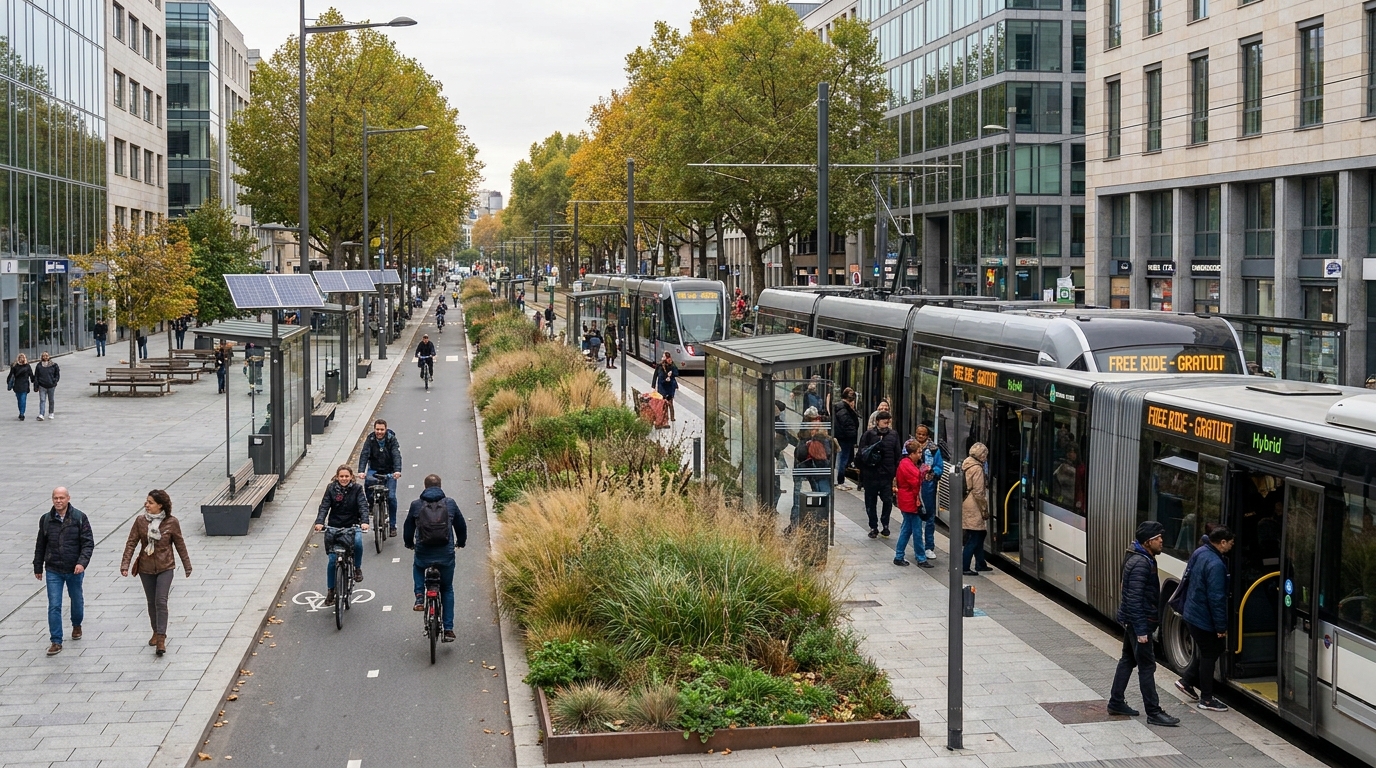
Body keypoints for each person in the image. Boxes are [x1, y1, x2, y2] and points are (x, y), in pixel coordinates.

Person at [1109, 520, 1180, 727]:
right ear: (1148, 542)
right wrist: (1141, 630)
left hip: (1134, 621)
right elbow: (1134, 599)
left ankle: (1116, 701)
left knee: (1128, 659)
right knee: (1147, 667)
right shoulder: (1141, 563)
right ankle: (1154, 712)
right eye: (1158, 538)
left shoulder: (1141, 556)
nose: (1161, 542)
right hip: (1139, 622)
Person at [120, 489, 192, 657]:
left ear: (160, 505)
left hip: (165, 567)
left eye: (150, 502)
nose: (146, 505)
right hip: (145, 568)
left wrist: (187, 565)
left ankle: (161, 638)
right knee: (151, 602)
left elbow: (180, 544)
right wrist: (125, 564)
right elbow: (131, 543)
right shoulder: (140, 521)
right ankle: (155, 631)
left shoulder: (172, 522)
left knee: (161, 601)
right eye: (146, 502)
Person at [1176, 526, 1236, 712]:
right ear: (1223, 542)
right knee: (1211, 652)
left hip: (1192, 612)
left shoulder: (1200, 551)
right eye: (1231, 543)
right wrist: (1220, 626)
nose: (1232, 547)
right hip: (1203, 618)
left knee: (1209, 650)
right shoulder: (1216, 565)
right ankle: (1207, 699)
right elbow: (1216, 598)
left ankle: (1186, 681)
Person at [403, 474, 468, 642]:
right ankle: (448, 629)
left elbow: (408, 528)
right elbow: (460, 525)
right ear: (440, 486)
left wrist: (409, 543)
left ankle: (419, 597)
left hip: (424, 552)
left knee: (418, 566)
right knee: (447, 588)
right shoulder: (450, 503)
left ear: (425, 487)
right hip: (445, 554)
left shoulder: (416, 505)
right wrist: (461, 542)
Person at [33, 487, 93, 656]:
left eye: (61, 498)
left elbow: (88, 543)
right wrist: (38, 566)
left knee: (76, 599)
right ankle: (56, 641)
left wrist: (82, 563)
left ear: (68, 498)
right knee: (54, 605)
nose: (58, 501)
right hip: (53, 569)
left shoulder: (79, 518)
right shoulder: (46, 519)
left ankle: (76, 624)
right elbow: (40, 544)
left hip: (74, 568)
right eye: (55, 498)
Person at [314, 466, 370, 604]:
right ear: (337, 477)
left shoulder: (357, 489)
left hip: (352, 525)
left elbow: (363, 505)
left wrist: (364, 522)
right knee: (332, 561)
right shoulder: (331, 488)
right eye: (341, 476)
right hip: (334, 526)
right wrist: (320, 522)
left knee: (357, 542)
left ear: (351, 476)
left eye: (346, 476)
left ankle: (357, 568)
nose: (344, 479)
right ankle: (331, 590)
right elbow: (325, 506)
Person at [856, 410, 901, 538]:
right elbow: (861, 454)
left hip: (886, 475)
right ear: (877, 422)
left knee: (887, 501)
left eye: (888, 422)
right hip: (871, 475)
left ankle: (885, 524)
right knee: (870, 502)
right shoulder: (868, 435)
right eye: (884, 422)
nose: (886, 425)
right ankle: (873, 526)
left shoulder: (893, 435)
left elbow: (897, 454)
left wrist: (894, 472)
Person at [358, 419, 403, 536]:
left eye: (382, 429)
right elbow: (364, 455)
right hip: (375, 470)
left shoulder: (391, 439)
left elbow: (396, 455)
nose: (379, 432)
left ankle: (393, 525)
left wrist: (397, 470)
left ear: (386, 429)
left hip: (389, 471)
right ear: (374, 429)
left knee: (391, 497)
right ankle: (372, 505)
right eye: (377, 429)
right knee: (368, 483)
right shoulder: (370, 439)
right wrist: (361, 471)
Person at [894, 438, 933, 568]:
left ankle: (899, 556)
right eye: (918, 452)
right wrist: (922, 474)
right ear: (912, 454)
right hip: (910, 501)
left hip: (906, 500)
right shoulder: (908, 466)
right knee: (916, 531)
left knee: (907, 529)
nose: (920, 455)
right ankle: (920, 558)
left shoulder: (905, 463)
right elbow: (916, 483)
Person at [960, 442, 993, 575]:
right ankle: (965, 566)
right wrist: (984, 509)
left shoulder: (967, 462)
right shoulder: (978, 468)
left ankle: (981, 562)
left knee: (980, 534)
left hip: (966, 502)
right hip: (974, 506)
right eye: (985, 455)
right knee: (974, 537)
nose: (986, 457)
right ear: (981, 455)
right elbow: (979, 493)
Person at [913, 425, 943, 561]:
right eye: (918, 434)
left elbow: (939, 467)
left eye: (923, 434)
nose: (920, 437)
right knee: (914, 518)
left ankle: (929, 546)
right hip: (913, 487)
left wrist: (932, 473)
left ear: (927, 436)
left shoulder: (934, 449)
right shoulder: (909, 446)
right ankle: (918, 546)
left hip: (928, 487)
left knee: (929, 517)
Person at [831, 388, 861, 490]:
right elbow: (848, 425)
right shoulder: (844, 410)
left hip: (842, 437)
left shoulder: (839, 407)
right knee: (842, 459)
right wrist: (852, 436)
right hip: (845, 439)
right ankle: (840, 481)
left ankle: (839, 480)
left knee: (840, 459)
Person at [652, 352, 680, 422]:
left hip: (669, 386)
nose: (662, 357)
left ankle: (672, 417)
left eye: (664, 356)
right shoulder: (659, 365)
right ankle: (664, 418)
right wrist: (653, 386)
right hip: (662, 386)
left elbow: (676, 373)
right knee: (663, 403)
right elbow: (655, 375)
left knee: (670, 403)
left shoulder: (672, 365)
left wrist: (671, 374)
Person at [33, 351, 59, 421]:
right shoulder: (39, 365)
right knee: (42, 400)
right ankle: (41, 414)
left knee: (51, 400)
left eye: (46, 355)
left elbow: (57, 374)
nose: (45, 357)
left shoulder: (54, 365)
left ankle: (51, 413)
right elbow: (36, 376)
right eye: (44, 355)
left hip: (51, 385)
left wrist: (55, 381)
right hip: (42, 385)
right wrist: (36, 386)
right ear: (42, 357)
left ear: (49, 356)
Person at [8, 353, 34, 421]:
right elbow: (11, 375)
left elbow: (31, 375)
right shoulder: (15, 366)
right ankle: (21, 412)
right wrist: (9, 382)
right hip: (17, 385)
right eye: (20, 358)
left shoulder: (27, 366)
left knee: (22, 400)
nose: (21, 359)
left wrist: (34, 381)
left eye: (23, 358)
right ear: (18, 359)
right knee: (20, 400)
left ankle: (22, 413)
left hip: (24, 386)